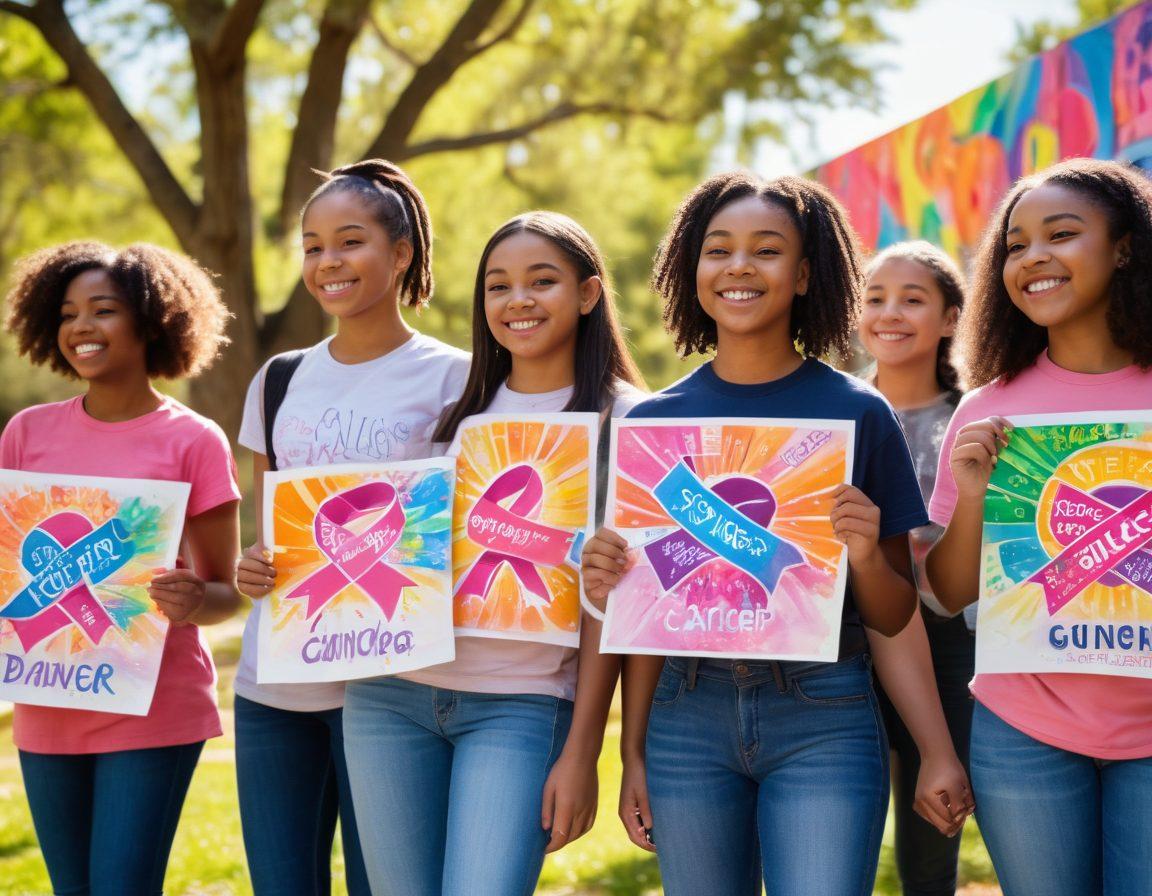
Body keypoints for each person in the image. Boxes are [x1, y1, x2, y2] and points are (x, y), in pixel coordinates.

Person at [581, 172, 971, 896]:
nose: (738, 266)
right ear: (689, 268)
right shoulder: (653, 425)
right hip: (685, 719)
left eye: (766, 250)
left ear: (804, 275)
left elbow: (893, 615)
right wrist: (631, 748)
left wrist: (862, 557)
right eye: (717, 249)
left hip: (824, 714)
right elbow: (647, 621)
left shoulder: (858, 412)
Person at [341, 211, 645, 895]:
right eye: (498, 287)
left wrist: (584, 749)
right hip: (391, 696)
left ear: (589, 294)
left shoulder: (627, 420)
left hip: (522, 704)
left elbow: (618, 611)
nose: (518, 302)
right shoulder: (450, 413)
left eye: (543, 282)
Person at [233, 159, 468, 895]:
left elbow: (464, 529)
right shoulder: (279, 378)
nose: (328, 261)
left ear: (402, 255)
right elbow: (266, 521)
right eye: (312, 245)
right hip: (274, 687)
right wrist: (252, 566)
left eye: (350, 241)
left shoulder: (457, 379)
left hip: (395, 689)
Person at [926, 157, 1152, 896]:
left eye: (1061, 234)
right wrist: (971, 495)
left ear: (1124, 247)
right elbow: (947, 593)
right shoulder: (987, 407)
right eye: (1015, 245)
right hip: (1024, 728)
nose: (1033, 259)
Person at [1, 240, 241, 895]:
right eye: (69, 312)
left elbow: (227, 591)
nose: (82, 326)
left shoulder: (193, 440)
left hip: (153, 708)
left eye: (103, 310)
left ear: (152, 319)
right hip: (47, 700)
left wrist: (194, 598)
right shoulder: (25, 433)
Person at [859, 240, 975, 896]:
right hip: (847, 642)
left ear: (951, 318)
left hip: (953, 642)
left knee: (935, 823)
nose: (890, 313)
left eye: (912, 298)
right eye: (875, 298)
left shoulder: (978, 414)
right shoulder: (831, 413)